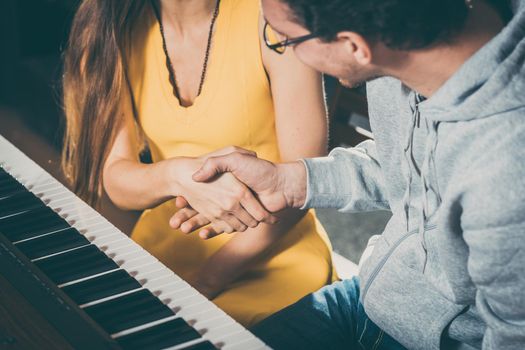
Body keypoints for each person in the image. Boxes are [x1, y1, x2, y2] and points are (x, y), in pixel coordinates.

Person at [173, 0, 525, 348]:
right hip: (371, 294)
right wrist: (290, 182)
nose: (288, 56)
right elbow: (411, 163)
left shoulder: (504, 176)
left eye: (284, 40)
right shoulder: (404, 42)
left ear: (354, 46)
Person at [61, 0, 338, 327]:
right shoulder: (109, 26)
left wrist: (207, 280)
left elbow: (304, 180)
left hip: (276, 251)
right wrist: (174, 176)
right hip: (165, 252)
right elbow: (116, 178)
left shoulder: (276, 19)